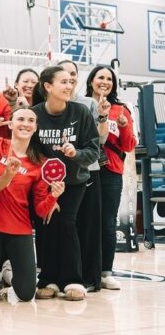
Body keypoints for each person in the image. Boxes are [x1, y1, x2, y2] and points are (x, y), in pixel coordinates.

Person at [0, 108, 64, 303]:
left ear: (35, 128)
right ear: (10, 124)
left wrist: (53, 196)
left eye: (31, 121)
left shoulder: (40, 163)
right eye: (20, 119)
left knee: (26, 294)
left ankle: (7, 272)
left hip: (19, 228)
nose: (25, 124)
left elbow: (40, 210)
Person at [32, 66, 100, 301]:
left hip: (73, 182)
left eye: (71, 81)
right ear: (48, 87)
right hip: (43, 184)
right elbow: (29, 151)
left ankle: (74, 280)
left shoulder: (80, 112)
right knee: (47, 225)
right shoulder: (35, 114)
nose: (69, 86)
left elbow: (93, 150)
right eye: (63, 82)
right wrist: (45, 179)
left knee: (67, 223)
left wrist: (75, 153)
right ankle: (48, 279)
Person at [57, 59, 109, 292]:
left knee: (88, 226)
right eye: (65, 75)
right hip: (60, 177)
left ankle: (90, 278)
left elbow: (100, 141)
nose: (70, 79)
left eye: (73, 74)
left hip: (88, 172)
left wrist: (103, 117)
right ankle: (64, 276)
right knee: (66, 227)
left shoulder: (87, 103)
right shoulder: (51, 105)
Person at [85, 65, 136, 291]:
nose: (104, 81)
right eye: (100, 77)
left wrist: (124, 127)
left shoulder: (121, 109)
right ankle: (85, 271)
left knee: (107, 222)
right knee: (85, 221)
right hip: (85, 169)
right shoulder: (80, 105)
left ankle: (106, 271)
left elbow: (128, 145)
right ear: (91, 81)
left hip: (110, 172)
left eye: (109, 78)